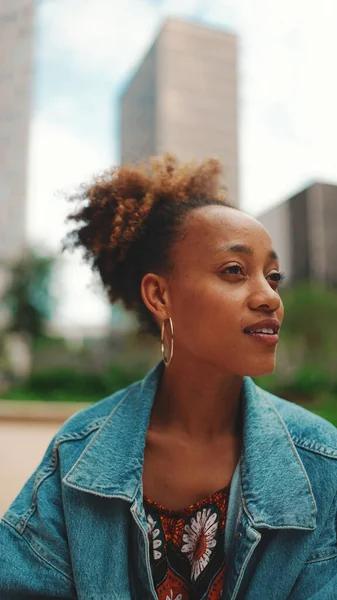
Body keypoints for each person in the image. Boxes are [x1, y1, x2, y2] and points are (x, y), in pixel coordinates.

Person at [0, 155, 336, 600]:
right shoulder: (77, 455)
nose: (269, 297)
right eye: (235, 271)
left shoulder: (322, 462)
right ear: (160, 295)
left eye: (273, 277)